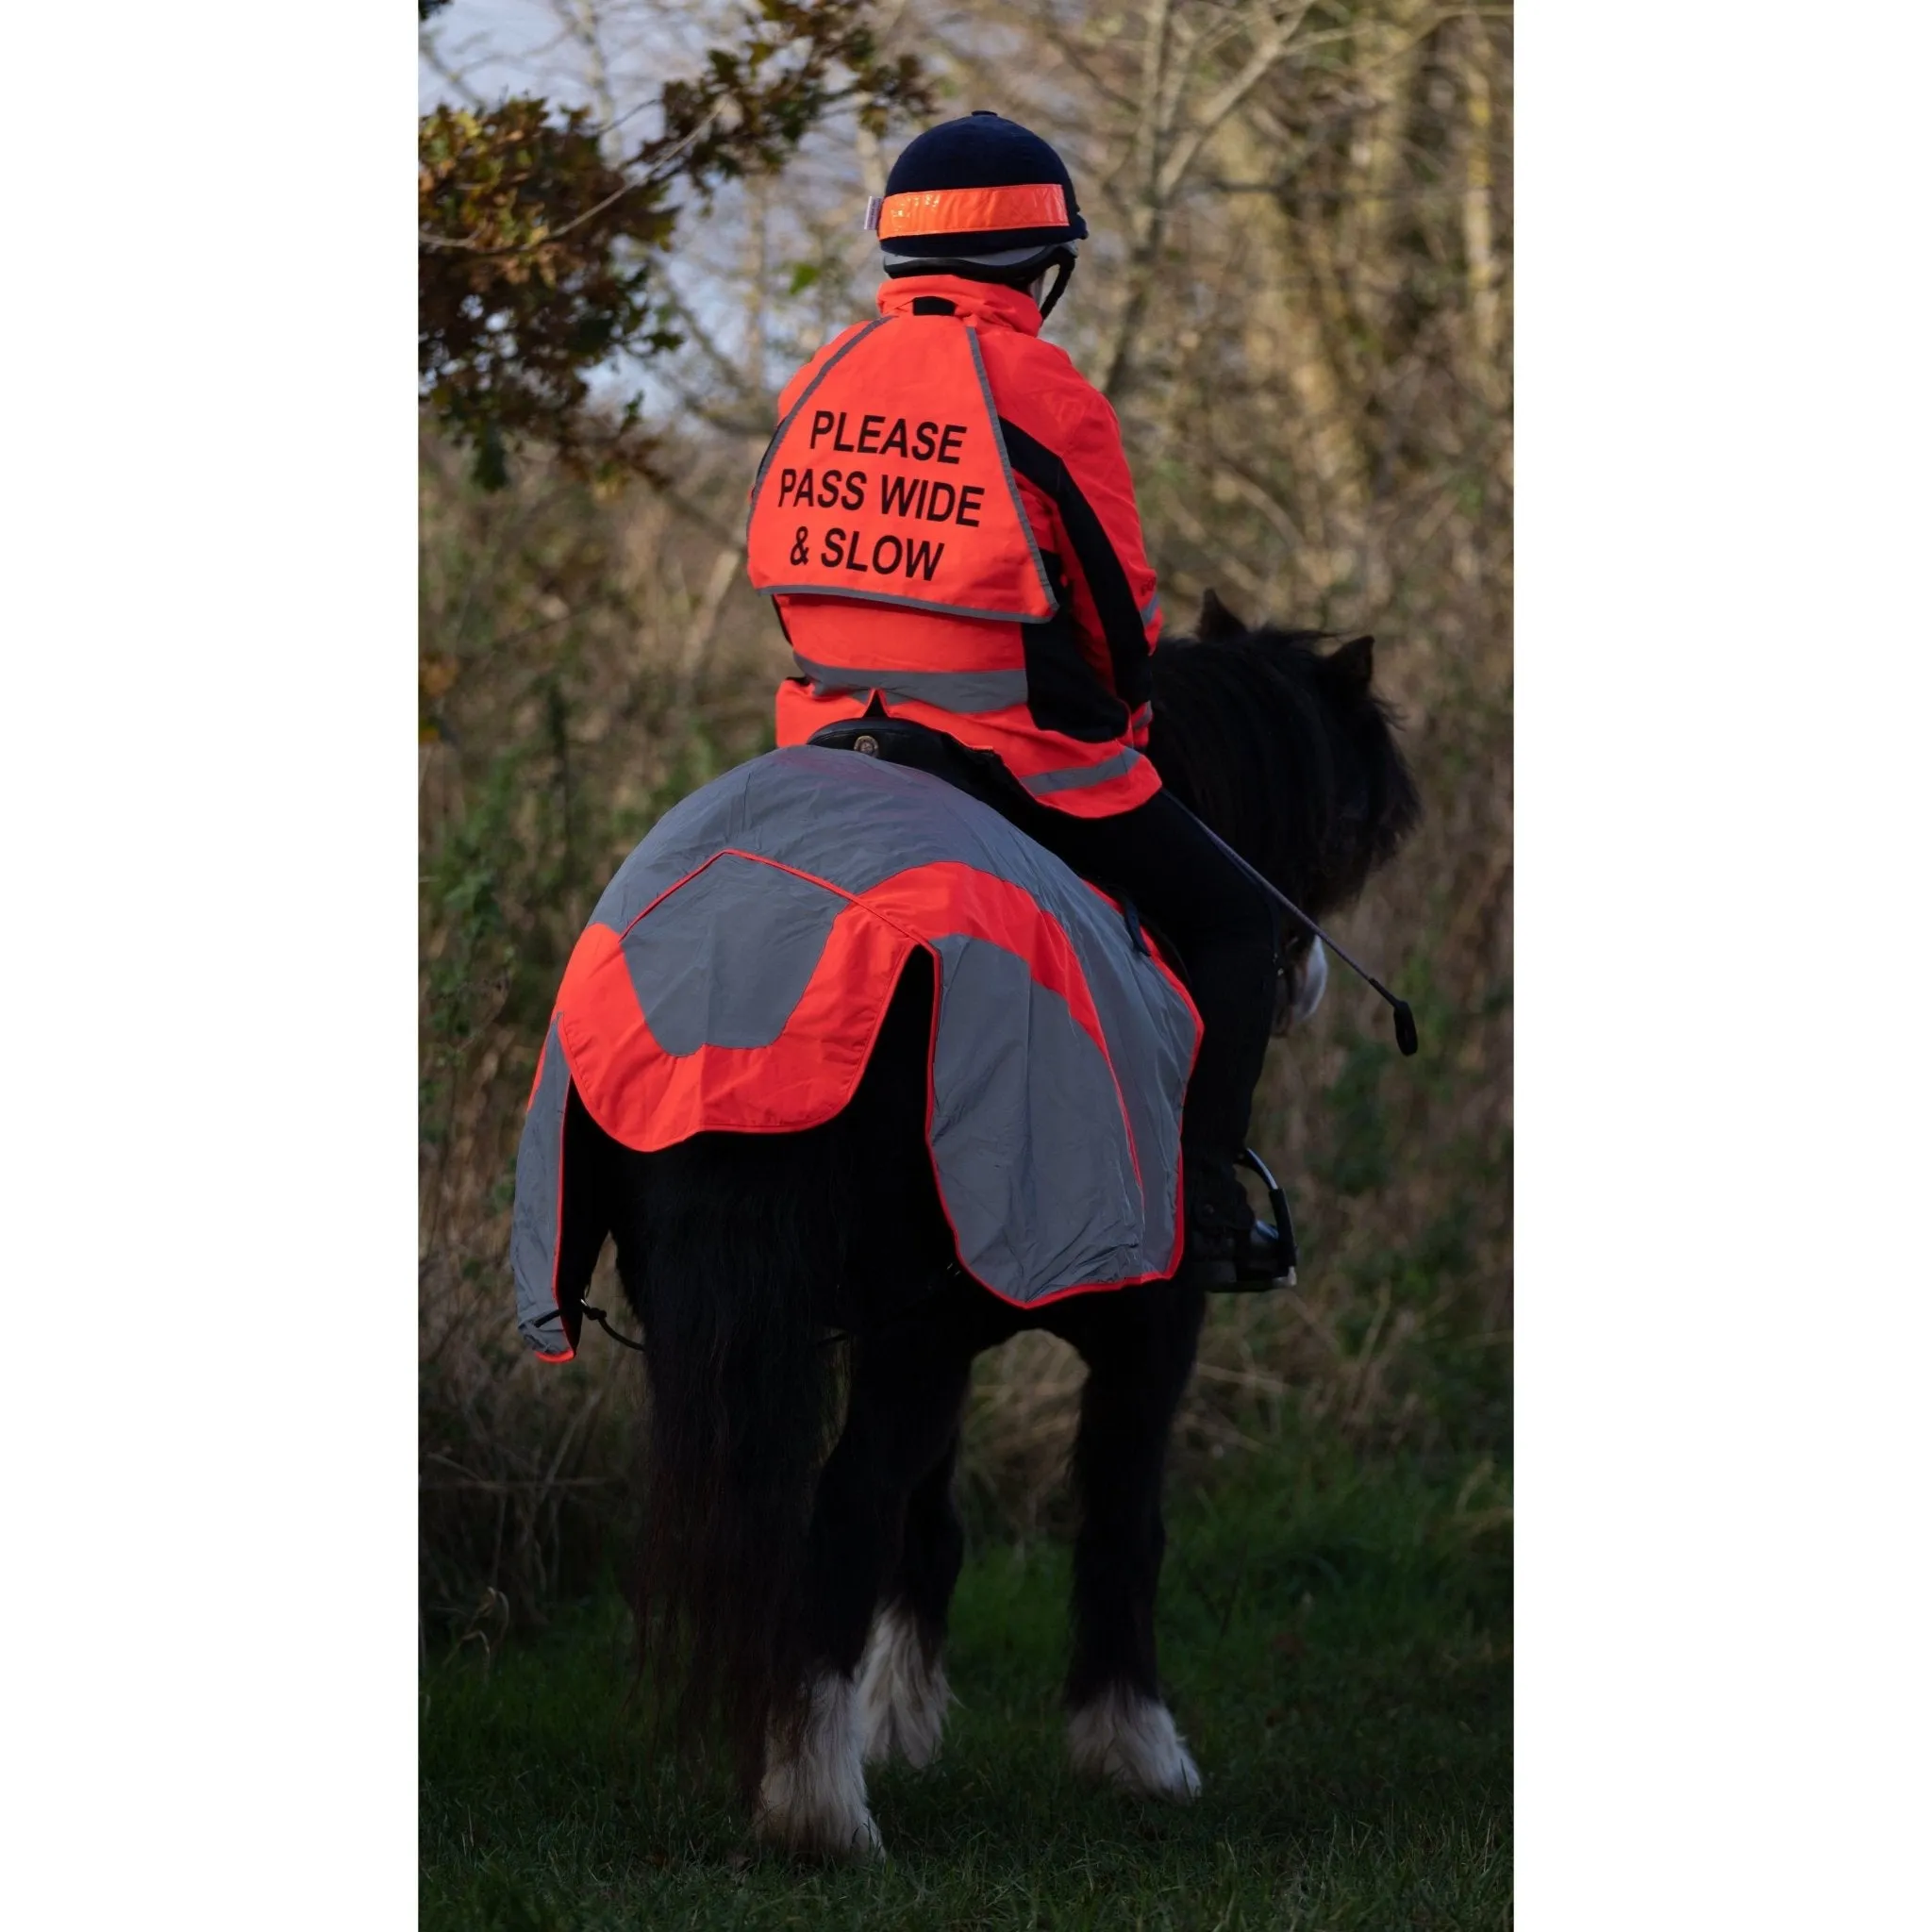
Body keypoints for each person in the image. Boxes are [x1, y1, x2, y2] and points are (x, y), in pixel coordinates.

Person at [746, 110, 1283, 1285]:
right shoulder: (1042, 388)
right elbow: (1119, 626)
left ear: (896, 255)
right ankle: (1201, 1205)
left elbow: (786, 580)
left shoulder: (818, 374)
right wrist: (1120, 722)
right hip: (1012, 760)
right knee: (1248, 923)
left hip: (821, 747)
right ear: (1046, 266)